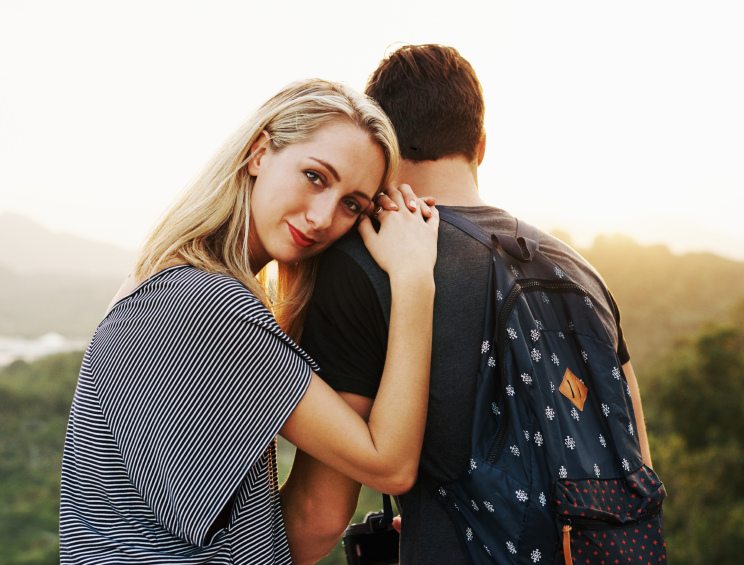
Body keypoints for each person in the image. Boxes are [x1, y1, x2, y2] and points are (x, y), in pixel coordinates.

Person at [282, 45, 653, 564]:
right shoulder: (579, 272)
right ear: (481, 144)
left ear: (383, 146)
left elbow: (316, 519)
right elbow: (632, 463)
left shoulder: (365, 263)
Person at [58, 79, 440, 563]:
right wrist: (413, 280)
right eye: (316, 176)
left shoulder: (158, 283)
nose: (324, 217)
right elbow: (390, 466)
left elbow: (284, 532)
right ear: (259, 152)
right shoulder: (207, 304)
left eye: (352, 205)